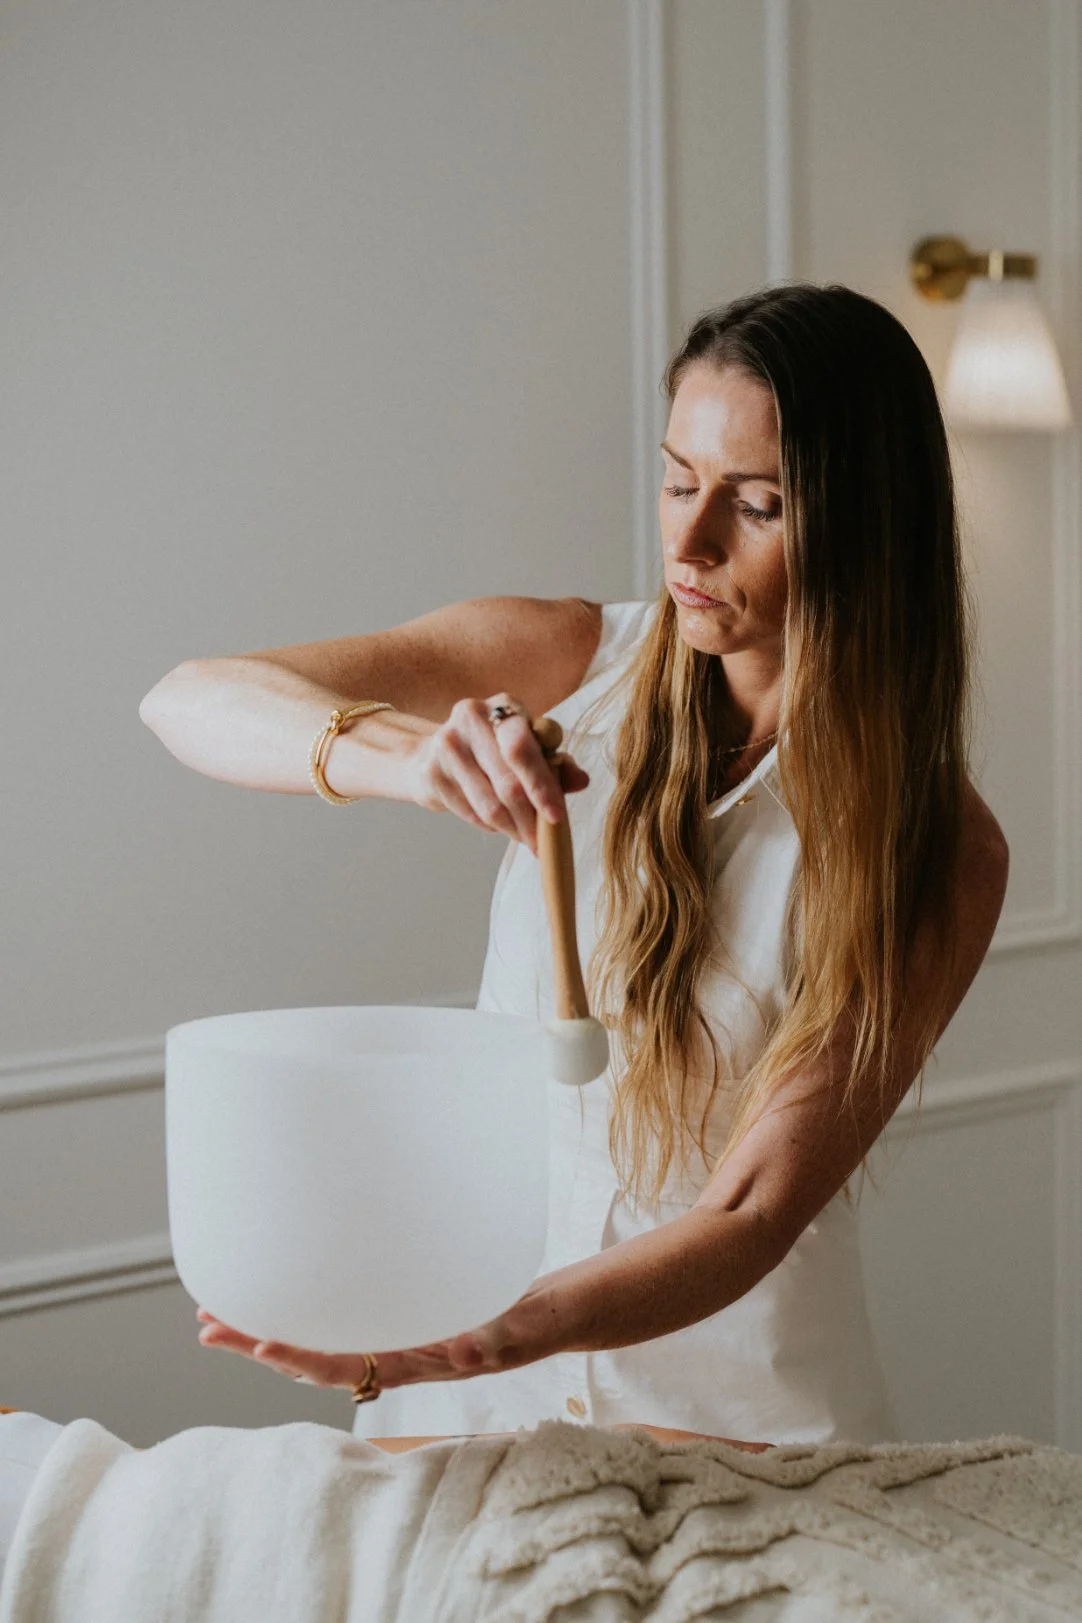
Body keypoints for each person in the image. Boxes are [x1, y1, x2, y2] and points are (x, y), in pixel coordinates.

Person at [139, 284, 1009, 1447]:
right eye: (674, 480)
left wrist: (496, 1334)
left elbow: (751, 1210)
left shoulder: (937, 849)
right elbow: (183, 702)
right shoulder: (565, 657)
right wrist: (410, 762)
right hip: (463, 1401)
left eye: (754, 505)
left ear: (868, 521)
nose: (688, 545)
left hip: (738, 1417)